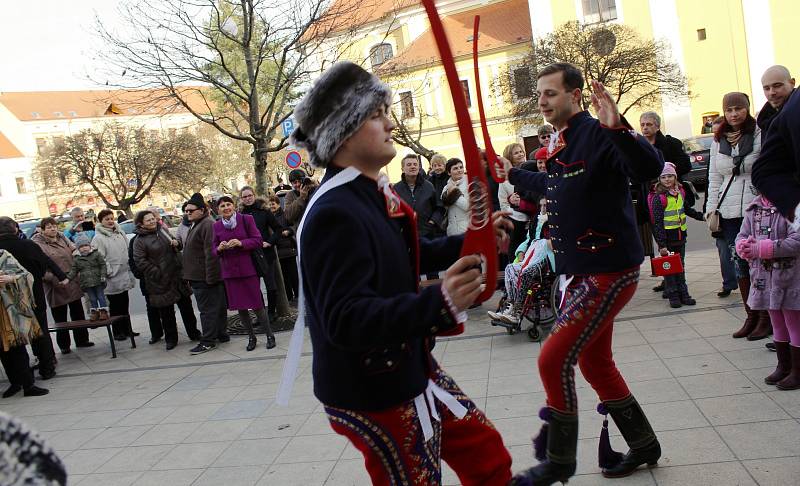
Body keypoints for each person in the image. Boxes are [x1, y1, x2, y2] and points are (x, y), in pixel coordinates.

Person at [287, 61, 513, 485]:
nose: (390, 123)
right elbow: (347, 318)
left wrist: (472, 241)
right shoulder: (334, 211)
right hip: (374, 388)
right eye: (376, 115)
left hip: (408, 368)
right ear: (343, 132)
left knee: (487, 457)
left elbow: (404, 254)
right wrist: (439, 302)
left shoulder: (366, 193)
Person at [505, 63, 664, 485]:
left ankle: (559, 459)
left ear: (575, 95)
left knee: (552, 357)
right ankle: (645, 444)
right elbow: (555, 190)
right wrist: (509, 175)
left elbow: (648, 169)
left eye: (550, 93)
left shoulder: (598, 133)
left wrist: (617, 128)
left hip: (609, 270)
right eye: (539, 94)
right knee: (595, 362)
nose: (541, 101)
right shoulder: (561, 143)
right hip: (582, 271)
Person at [706, 92, 769, 340]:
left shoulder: (759, 134)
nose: (734, 114)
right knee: (739, 262)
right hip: (729, 210)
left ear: (746, 109)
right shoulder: (718, 140)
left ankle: (766, 318)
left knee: (760, 264)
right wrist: (711, 208)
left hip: (756, 208)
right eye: (729, 109)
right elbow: (714, 177)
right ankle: (751, 315)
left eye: (738, 109)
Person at [735, 193, 800, 389]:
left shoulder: (793, 206)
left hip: (790, 277)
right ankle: (784, 365)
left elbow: (796, 240)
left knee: (793, 322)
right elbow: (742, 234)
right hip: (764, 276)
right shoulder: (753, 208)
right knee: (776, 321)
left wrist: (762, 248)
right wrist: (743, 246)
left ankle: (798, 370)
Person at [0, 217, 63, 380]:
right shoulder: (28, 245)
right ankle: (47, 367)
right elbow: (44, 264)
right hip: (34, 294)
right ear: (15, 228)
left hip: (7, 300)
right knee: (40, 330)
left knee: (14, 335)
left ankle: (20, 375)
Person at [212, 196, 276, 351]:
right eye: (222, 206)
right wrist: (219, 248)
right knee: (240, 307)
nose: (226, 208)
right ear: (218, 210)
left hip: (248, 269)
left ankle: (269, 335)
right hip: (230, 273)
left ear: (233, 206)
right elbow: (213, 249)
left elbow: (257, 240)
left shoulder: (246, 219)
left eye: (228, 204)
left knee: (257, 305)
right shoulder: (217, 226)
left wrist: (241, 243)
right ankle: (251, 337)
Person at [32, 218, 93, 353]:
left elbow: (74, 250)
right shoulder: (37, 244)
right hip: (55, 284)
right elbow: (38, 267)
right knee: (60, 316)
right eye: (48, 227)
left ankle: (82, 340)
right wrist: (52, 279)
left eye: (54, 226)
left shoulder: (62, 237)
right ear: (42, 230)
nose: (53, 229)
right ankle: (64, 345)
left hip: (71, 279)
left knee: (78, 312)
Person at [648, 162, 704, 308]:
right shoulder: (658, 198)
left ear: (675, 177)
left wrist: (702, 216)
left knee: (680, 266)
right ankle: (673, 295)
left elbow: (686, 209)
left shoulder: (679, 193)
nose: (667, 179)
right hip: (668, 241)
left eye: (670, 176)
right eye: (664, 177)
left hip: (680, 238)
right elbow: (657, 223)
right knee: (670, 268)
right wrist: (662, 245)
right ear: (659, 179)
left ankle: (684, 294)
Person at [132, 211, 187, 350]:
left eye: (153, 219)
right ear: (141, 223)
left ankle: (194, 333)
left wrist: (177, 243)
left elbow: (177, 245)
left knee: (187, 306)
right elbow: (140, 261)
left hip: (176, 275)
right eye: (148, 220)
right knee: (167, 313)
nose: (152, 222)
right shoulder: (139, 240)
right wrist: (157, 272)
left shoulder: (162, 230)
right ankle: (171, 339)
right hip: (159, 281)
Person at [182, 193, 229, 355]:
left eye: (190, 211)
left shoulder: (207, 224)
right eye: (186, 211)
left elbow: (211, 253)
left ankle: (208, 341)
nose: (187, 213)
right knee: (216, 307)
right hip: (198, 276)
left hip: (204, 277)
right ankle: (221, 334)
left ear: (202, 210)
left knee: (207, 310)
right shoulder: (197, 223)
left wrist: (211, 277)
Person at [0, 250, 49, 398]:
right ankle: (15, 383)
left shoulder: (2, 255)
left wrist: (10, 278)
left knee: (18, 346)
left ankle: (28, 384)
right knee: (3, 349)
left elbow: (26, 275)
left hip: (11, 311)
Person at [92, 209, 138, 341]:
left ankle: (127, 329)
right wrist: (109, 271)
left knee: (125, 304)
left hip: (124, 273)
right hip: (112, 277)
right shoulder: (98, 238)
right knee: (116, 306)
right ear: (100, 221)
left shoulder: (120, 232)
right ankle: (117, 331)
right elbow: (99, 258)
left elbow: (128, 250)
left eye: (112, 218)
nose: (110, 221)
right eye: (107, 219)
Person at [238, 186, 283, 318]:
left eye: (249, 195)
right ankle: (261, 315)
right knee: (254, 288)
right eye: (244, 197)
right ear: (241, 199)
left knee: (271, 286)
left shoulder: (264, 211)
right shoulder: (240, 215)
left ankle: (271, 313)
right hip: (249, 254)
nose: (247, 199)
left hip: (266, 253)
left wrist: (269, 242)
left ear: (254, 195)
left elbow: (278, 229)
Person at [67, 234, 108, 321]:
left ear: (89, 245)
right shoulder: (77, 259)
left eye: (86, 245)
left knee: (101, 296)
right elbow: (74, 270)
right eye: (81, 246)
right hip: (86, 282)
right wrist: (68, 279)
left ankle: (104, 311)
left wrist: (103, 275)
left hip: (98, 280)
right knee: (92, 298)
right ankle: (95, 312)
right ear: (78, 248)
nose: (84, 248)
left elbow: (102, 265)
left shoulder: (96, 254)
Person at [500, 143, 531, 254]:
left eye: (521, 151)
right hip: (516, 222)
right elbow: (503, 204)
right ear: (509, 157)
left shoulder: (532, 168)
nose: (520, 154)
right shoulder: (505, 179)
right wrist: (513, 204)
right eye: (516, 153)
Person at [268, 195, 298, 301]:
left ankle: (298, 294)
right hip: (278, 250)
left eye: (273, 204)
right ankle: (289, 296)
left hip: (288, 249)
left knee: (293, 274)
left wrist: (288, 231)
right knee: (284, 276)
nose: (271, 206)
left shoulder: (285, 215)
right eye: (270, 204)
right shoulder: (269, 217)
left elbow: (292, 227)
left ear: (278, 204)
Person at [757, 65, 795, 134]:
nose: (772, 92)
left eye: (777, 86)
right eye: (767, 88)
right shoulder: (764, 120)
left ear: (792, 83)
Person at [441, 158, 469, 236]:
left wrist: (454, 192)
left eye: (461, 167)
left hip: (467, 229)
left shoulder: (470, 184)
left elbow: (468, 206)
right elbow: (444, 207)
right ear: (449, 172)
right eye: (455, 168)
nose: (459, 170)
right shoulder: (446, 187)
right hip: (451, 231)